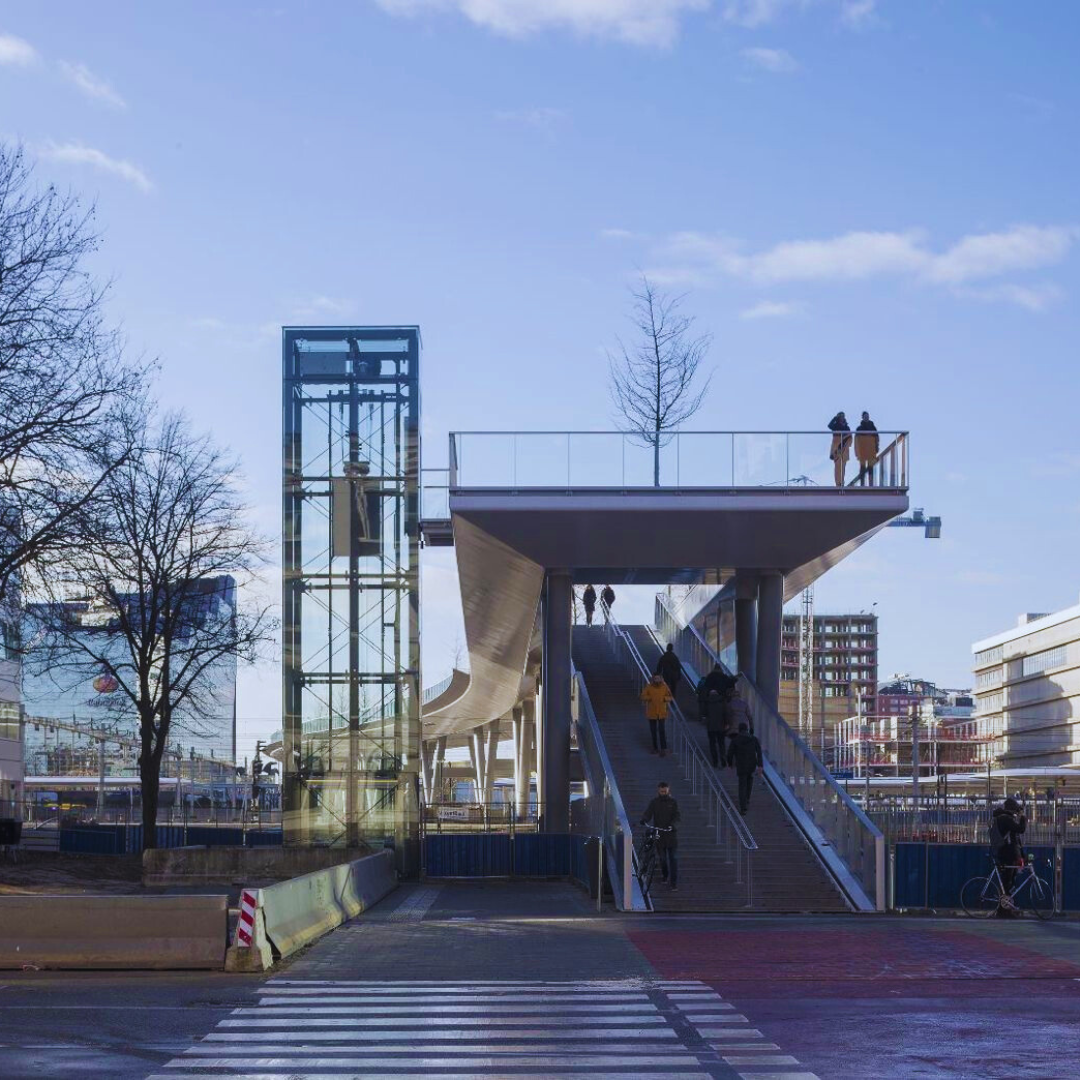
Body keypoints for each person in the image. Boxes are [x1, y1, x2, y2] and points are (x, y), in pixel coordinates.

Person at [640, 780, 681, 890]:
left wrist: (673, 825)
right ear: (658, 791)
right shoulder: (654, 802)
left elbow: (677, 816)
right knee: (662, 859)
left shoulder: (673, 802)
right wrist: (644, 819)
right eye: (661, 791)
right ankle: (665, 874)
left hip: (671, 835)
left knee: (673, 859)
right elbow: (648, 812)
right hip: (659, 835)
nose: (663, 793)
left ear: (668, 790)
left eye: (665, 791)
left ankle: (673, 883)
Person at [991, 797, 1027, 907]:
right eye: (1016, 810)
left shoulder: (1003, 818)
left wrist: (1021, 855)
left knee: (1009, 880)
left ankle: (1007, 906)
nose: (1016, 812)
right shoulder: (1005, 819)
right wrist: (1023, 817)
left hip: (1007, 853)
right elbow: (1021, 829)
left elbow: (1015, 838)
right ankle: (1004, 908)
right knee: (1007, 881)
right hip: (1008, 854)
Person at [726, 721, 764, 815]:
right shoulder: (753, 739)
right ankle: (747, 798)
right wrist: (760, 765)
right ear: (747, 729)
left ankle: (743, 807)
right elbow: (759, 752)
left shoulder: (735, 740)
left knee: (742, 785)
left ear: (739, 730)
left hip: (741, 764)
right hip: (751, 764)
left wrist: (730, 764)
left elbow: (730, 753)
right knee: (749, 779)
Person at [640, 673, 673, 757]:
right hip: (652, 712)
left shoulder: (665, 687)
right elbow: (643, 696)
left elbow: (670, 696)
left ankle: (663, 748)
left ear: (661, 679)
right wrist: (650, 698)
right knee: (653, 731)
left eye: (658, 678)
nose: (657, 680)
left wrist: (664, 699)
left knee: (662, 730)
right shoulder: (649, 687)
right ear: (653, 679)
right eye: (655, 679)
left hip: (662, 712)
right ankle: (655, 748)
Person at [704, 688, 729, 768]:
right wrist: (727, 723)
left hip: (711, 727)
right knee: (721, 743)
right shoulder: (722, 701)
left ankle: (715, 761)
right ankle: (723, 758)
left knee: (712, 744)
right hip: (721, 726)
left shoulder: (707, 702)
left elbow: (704, 713)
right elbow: (726, 713)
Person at [854, 411, 880, 486]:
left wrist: (876, 447)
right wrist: (856, 452)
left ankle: (871, 484)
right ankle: (862, 484)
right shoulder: (859, 428)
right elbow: (856, 441)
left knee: (870, 467)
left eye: (867, 416)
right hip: (862, 451)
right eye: (865, 416)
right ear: (863, 417)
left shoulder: (873, 427)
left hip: (871, 450)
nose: (867, 417)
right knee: (862, 468)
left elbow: (876, 438)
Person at [828, 411, 852, 487]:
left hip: (844, 448)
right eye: (841, 416)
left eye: (843, 416)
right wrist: (835, 417)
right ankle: (838, 483)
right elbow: (829, 425)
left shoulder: (847, 427)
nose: (842, 417)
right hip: (837, 447)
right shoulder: (835, 426)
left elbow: (850, 437)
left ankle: (842, 482)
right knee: (838, 466)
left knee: (843, 467)